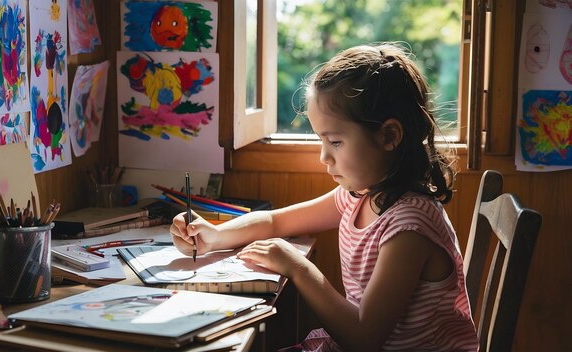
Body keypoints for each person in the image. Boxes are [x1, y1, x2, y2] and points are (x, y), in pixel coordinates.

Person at [170, 42, 478, 351]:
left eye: (335, 141)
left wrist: (298, 267)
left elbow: (364, 338)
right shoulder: (361, 195)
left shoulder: (409, 227)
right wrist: (213, 235)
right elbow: (277, 222)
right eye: (321, 140)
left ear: (389, 136)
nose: (324, 157)